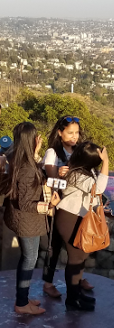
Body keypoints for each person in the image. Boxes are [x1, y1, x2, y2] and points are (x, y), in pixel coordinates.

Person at [1, 122, 60, 315]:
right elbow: (26, 203)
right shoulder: (26, 167)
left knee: (27, 258)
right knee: (29, 259)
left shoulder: (15, 157)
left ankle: (23, 297)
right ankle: (21, 303)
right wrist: (49, 205)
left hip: (19, 218)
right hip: (27, 221)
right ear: (32, 139)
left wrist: (36, 153)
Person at [55, 142, 108, 311]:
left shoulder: (85, 171)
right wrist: (106, 162)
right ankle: (72, 300)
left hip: (79, 217)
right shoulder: (77, 174)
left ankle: (76, 293)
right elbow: (98, 188)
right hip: (70, 218)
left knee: (81, 258)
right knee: (75, 260)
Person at [42, 116, 83, 298]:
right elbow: (50, 181)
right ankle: (48, 283)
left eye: (77, 132)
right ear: (60, 133)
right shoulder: (53, 153)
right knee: (55, 246)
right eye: (70, 132)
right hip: (59, 207)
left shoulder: (80, 151)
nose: (74, 136)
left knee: (79, 244)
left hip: (76, 206)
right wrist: (58, 173)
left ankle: (78, 279)